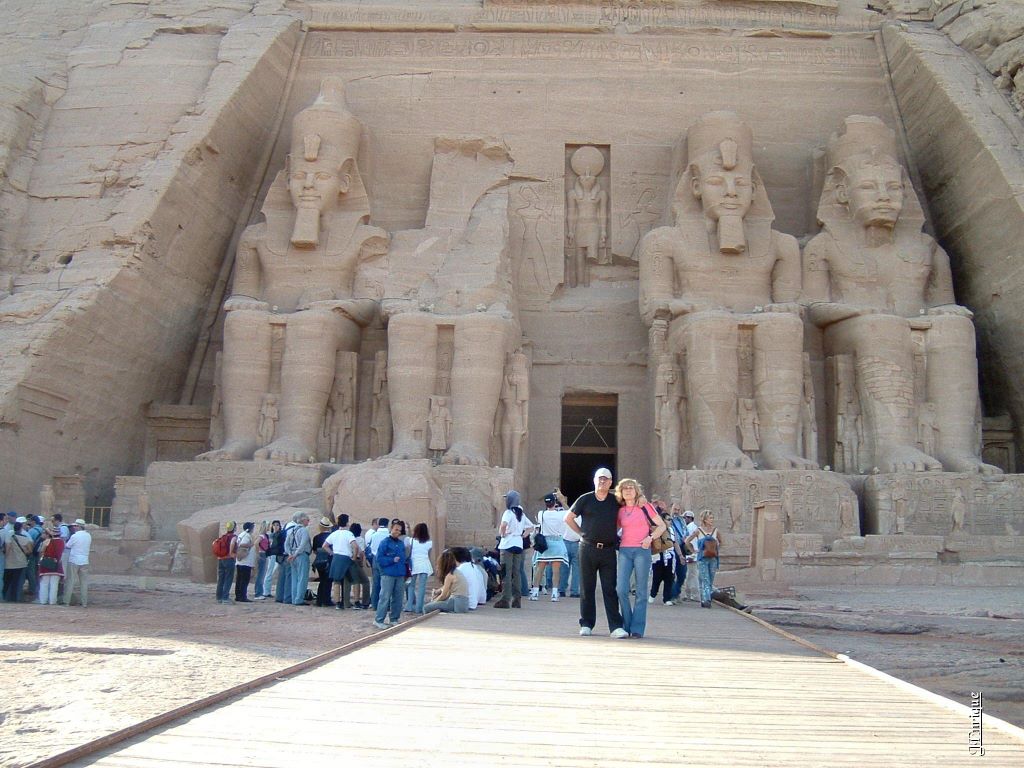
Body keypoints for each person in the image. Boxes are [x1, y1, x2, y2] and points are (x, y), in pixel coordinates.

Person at [564, 468, 627, 638]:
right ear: (594, 480)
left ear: (611, 482)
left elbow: (623, 519)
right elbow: (568, 518)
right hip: (587, 548)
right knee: (587, 587)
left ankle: (615, 626)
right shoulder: (585, 499)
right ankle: (586, 623)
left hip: (608, 549)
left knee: (609, 588)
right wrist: (582, 533)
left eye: (606, 479)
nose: (602, 481)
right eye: (599, 478)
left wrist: (612, 532)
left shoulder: (615, 501)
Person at [614, 479, 666, 639]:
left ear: (636, 490)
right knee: (621, 589)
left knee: (641, 591)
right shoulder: (620, 510)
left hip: (642, 550)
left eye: (631, 488)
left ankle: (637, 627)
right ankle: (627, 623)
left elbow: (662, 525)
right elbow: (614, 528)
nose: (628, 490)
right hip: (625, 550)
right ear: (620, 492)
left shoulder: (645, 506)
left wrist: (650, 538)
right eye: (625, 488)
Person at [494, 490, 534, 609]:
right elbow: (531, 527)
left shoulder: (508, 513)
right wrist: (523, 535)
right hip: (518, 544)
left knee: (506, 572)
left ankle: (505, 599)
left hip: (507, 544)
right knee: (516, 573)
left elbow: (503, 525)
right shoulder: (521, 513)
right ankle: (517, 599)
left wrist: (503, 534)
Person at [530, 494, 569, 602]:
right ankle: (554, 594)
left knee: (540, 569)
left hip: (545, 544)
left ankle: (535, 592)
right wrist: (562, 500)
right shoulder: (561, 514)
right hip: (557, 543)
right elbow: (569, 511)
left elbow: (539, 523)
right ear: (555, 502)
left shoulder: (541, 514)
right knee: (556, 570)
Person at [373, 520, 408, 629]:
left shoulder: (401, 544)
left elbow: (404, 559)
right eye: (396, 529)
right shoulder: (385, 543)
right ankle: (379, 619)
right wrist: (391, 560)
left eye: (400, 530)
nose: (398, 532)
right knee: (385, 597)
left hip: (400, 574)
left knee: (398, 597)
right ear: (391, 529)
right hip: (388, 574)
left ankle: (394, 618)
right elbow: (379, 559)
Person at [686, 511, 722, 608]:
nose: (712, 520)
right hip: (702, 558)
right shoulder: (699, 530)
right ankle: (707, 599)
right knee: (705, 579)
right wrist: (694, 551)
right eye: (710, 518)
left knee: (710, 579)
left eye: (712, 518)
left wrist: (716, 549)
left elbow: (721, 542)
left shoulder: (715, 530)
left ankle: (705, 598)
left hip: (713, 558)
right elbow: (687, 541)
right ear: (705, 519)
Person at [424, 549, 470, 614]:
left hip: (456, 603)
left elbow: (443, 595)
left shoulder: (449, 576)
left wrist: (433, 602)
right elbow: (447, 594)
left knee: (426, 607)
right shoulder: (457, 572)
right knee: (437, 604)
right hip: (463, 604)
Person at [324, 518, 357, 609]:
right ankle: (356, 602)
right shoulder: (349, 534)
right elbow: (355, 546)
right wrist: (354, 557)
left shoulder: (334, 534)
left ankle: (337, 603)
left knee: (336, 581)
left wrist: (332, 553)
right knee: (355, 580)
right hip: (346, 557)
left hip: (336, 558)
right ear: (347, 523)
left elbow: (325, 545)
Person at [649, 507, 678, 607]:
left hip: (669, 555)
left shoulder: (671, 530)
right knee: (657, 577)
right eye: (668, 519)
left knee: (669, 577)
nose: (670, 521)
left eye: (671, 520)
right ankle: (653, 594)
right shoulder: (657, 529)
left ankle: (667, 598)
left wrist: (680, 555)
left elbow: (674, 543)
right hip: (658, 555)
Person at [63, 518, 92, 607]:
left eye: (75, 526)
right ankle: (84, 602)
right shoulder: (88, 535)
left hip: (74, 560)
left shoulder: (75, 536)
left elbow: (68, 545)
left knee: (70, 581)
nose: (74, 527)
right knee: (84, 582)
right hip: (84, 560)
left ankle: (66, 601)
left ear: (79, 526)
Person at [406, 523, 433, 614]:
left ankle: (409, 606)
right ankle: (419, 607)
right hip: (424, 564)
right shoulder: (429, 543)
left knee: (411, 585)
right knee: (422, 587)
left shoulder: (412, 541)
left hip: (414, 564)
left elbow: (409, 543)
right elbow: (429, 554)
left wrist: (409, 529)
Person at [3, 519, 32, 602]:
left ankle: (5, 597)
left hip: (9, 563)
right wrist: (24, 550)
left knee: (7, 581)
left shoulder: (9, 537)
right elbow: (30, 551)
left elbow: (6, 549)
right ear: (21, 529)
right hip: (20, 563)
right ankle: (14, 598)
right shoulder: (25, 539)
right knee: (16, 582)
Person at [365, 516, 391, 609]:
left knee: (376, 583)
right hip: (386, 560)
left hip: (375, 559)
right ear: (387, 524)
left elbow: (371, 548)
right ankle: (386, 605)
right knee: (386, 583)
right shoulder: (389, 535)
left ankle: (374, 604)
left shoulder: (374, 535)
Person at [344, 522, 371, 609]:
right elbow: (361, 552)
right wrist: (362, 562)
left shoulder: (348, 538)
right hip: (356, 560)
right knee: (364, 581)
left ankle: (346, 602)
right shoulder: (360, 540)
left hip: (347, 559)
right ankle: (364, 601)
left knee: (347, 582)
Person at [36, 528, 65, 605]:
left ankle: (43, 600)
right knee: (54, 585)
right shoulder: (62, 542)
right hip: (56, 564)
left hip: (45, 564)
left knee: (44, 584)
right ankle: (52, 601)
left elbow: (41, 552)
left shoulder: (47, 541)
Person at [311, 516, 335, 607]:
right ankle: (326, 600)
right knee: (328, 581)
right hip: (329, 560)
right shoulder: (331, 536)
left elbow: (314, 551)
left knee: (322, 580)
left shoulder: (316, 537)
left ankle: (319, 600)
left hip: (319, 560)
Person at [215, 521, 237, 605]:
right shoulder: (233, 537)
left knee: (221, 579)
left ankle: (219, 597)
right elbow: (232, 544)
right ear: (234, 528)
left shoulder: (223, 536)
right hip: (228, 559)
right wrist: (231, 553)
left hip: (221, 559)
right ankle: (225, 598)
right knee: (228, 579)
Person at [234, 521, 256, 603]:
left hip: (240, 561)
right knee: (244, 580)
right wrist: (251, 545)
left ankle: (238, 595)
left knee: (239, 579)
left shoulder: (241, 534)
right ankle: (242, 596)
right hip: (245, 561)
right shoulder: (246, 535)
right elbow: (243, 544)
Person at [253, 521, 271, 600]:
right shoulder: (262, 536)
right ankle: (258, 593)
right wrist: (257, 553)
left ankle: (259, 592)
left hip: (263, 554)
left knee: (261, 574)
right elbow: (256, 543)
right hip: (262, 554)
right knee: (261, 574)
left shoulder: (265, 535)